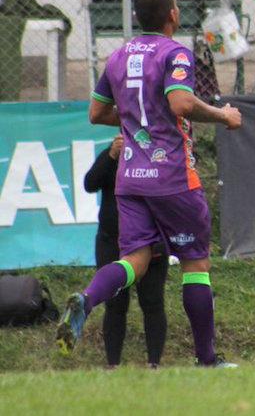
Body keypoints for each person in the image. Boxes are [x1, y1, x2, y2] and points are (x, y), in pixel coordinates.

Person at [56, 0, 243, 368]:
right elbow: (181, 103)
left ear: (139, 17)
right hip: (172, 177)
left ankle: (87, 300)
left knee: (135, 260)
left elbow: (96, 113)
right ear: (173, 14)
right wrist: (222, 115)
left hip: (130, 179)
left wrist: (134, 121)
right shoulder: (175, 53)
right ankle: (207, 360)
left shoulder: (118, 57)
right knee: (195, 263)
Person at [85, 134, 168, 369]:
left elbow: (170, 196)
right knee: (115, 304)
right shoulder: (115, 153)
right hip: (111, 241)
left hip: (150, 242)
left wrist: (164, 238)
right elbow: (90, 184)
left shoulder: (158, 155)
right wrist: (111, 155)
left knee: (152, 302)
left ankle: (154, 364)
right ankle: (113, 365)